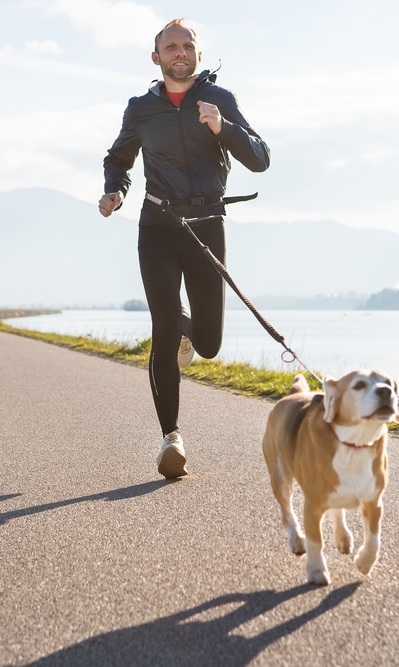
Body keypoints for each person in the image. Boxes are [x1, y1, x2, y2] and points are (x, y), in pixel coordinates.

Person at [99, 18, 270, 479]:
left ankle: (190, 330)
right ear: (156, 58)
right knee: (164, 327)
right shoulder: (140, 109)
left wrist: (225, 129)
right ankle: (170, 438)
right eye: (170, 46)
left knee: (210, 344)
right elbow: (118, 159)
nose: (179, 52)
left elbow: (261, 158)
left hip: (208, 226)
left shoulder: (220, 100)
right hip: (158, 225)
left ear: (197, 52)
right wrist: (115, 190)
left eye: (186, 45)